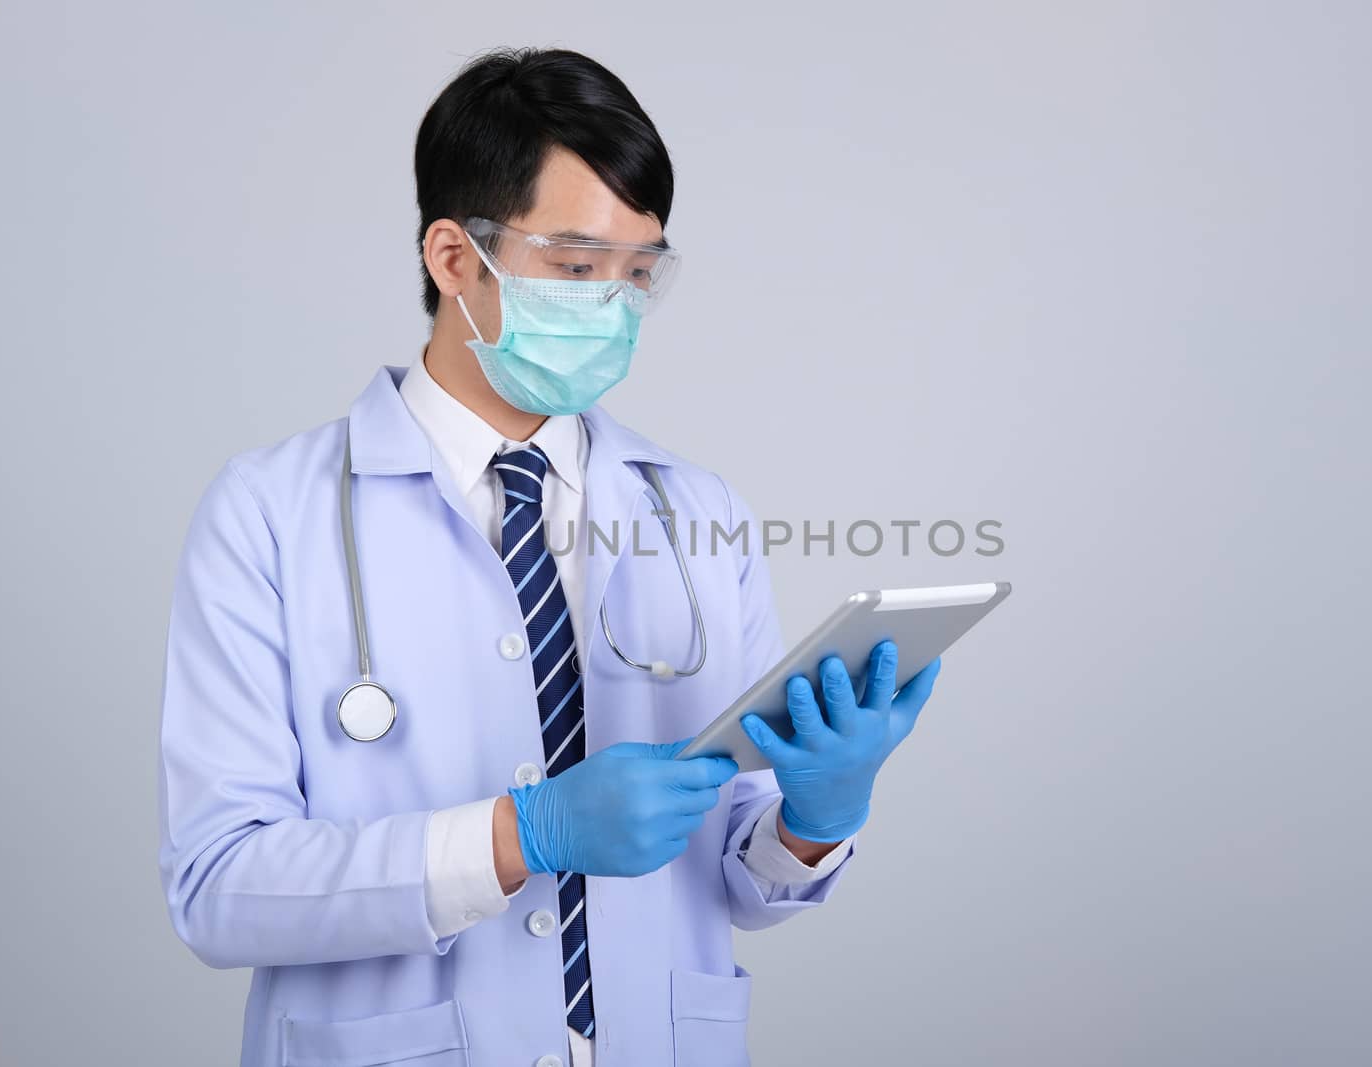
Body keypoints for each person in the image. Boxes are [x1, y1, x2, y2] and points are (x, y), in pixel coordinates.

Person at [157, 46, 941, 1067]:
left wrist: (815, 816)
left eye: (638, 271)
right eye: (576, 268)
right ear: (452, 258)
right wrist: (518, 835)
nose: (613, 303)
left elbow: (743, 886)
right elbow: (219, 890)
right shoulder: (268, 513)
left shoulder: (696, 509)